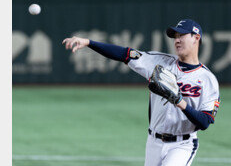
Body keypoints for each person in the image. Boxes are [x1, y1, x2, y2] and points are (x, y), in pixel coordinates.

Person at [62, 19, 220, 166]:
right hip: (154, 141)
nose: (177, 40)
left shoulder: (207, 79)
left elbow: (205, 121)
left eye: (182, 35)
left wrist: (180, 101)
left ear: (196, 38)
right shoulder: (159, 62)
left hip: (182, 144)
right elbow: (125, 54)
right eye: (175, 36)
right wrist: (88, 42)